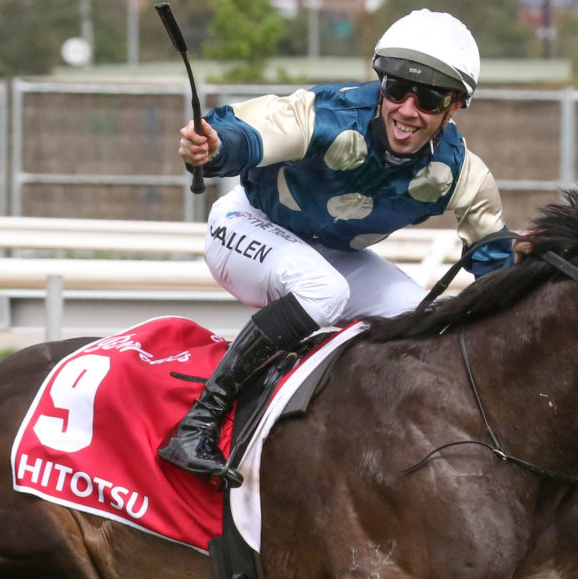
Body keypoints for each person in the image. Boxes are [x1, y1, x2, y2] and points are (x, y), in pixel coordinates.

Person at [157, 9, 515, 486]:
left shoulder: (464, 173)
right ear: (381, 85)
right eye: (396, 90)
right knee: (323, 290)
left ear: (455, 107)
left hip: (331, 254)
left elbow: (498, 267)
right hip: (248, 225)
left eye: (429, 98)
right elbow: (243, 132)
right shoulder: (326, 116)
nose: (408, 110)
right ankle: (199, 423)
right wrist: (214, 147)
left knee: (427, 322)